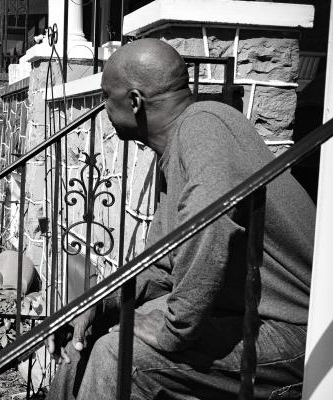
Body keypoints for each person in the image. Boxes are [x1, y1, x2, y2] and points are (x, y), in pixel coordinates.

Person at [46, 39, 315, 400]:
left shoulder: (204, 125)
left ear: (135, 101)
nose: (103, 108)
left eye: (106, 96)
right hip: (245, 315)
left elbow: (212, 222)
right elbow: (161, 269)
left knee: (119, 354)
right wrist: (100, 304)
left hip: (295, 330)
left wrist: (174, 330)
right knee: (87, 332)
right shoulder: (175, 153)